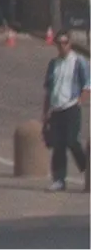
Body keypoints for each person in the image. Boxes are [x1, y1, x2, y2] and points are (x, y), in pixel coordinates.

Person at [41, 30, 90, 192]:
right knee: (58, 145)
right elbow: (48, 90)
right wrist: (45, 111)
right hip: (56, 108)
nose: (62, 46)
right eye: (59, 43)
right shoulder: (53, 64)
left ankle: (86, 167)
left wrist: (79, 101)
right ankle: (59, 179)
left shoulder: (78, 61)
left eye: (65, 43)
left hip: (71, 107)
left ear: (70, 43)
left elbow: (87, 85)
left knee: (72, 141)